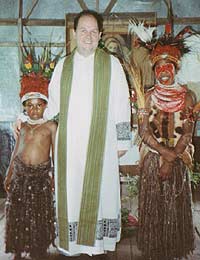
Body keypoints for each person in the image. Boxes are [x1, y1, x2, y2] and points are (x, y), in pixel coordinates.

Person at [14, 9, 131, 257]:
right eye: (83, 31)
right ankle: (73, 244)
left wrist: (122, 140)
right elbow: (51, 107)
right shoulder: (63, 66)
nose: (88, 36)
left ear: (100, 35)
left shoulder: (111, 64)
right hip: (69, 144)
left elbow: (122, 103)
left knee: (99, 193)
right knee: (73, 193)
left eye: (93, 31)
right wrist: (26, 118)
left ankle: (97, 244)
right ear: (75, 34)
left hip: (102, 144)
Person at [129, 21, 196, 260]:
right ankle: (154, 246)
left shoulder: (188, 97)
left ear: (176, 69)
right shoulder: (146, 97)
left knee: (175, 209)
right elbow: (143, 131)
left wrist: (172, 156)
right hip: (152, 160)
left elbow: (187, 133)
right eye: (160, 67)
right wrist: (162, 154)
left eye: (169, 66)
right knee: (155, 208)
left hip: (177, 159)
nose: (164, 72)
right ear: (154, 69)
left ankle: (176, 247)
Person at [4, 61, 57, 260]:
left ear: (45, 105)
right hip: (20, 175)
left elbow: (56, 154)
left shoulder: (51, 126)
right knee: (18, 215)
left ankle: (39, 248)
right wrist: (9, 174)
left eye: (39, 105)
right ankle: (18, 249)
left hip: (40, 178)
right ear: (25, 107)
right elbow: (16, 151)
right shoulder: (23, 126)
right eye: (30, 106)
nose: (34, 110)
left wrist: (54, 176)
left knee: (38, 216)